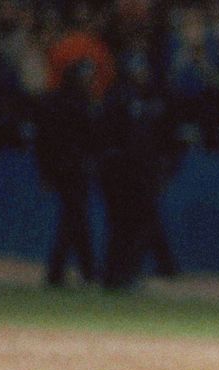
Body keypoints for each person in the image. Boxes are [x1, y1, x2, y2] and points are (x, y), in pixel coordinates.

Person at [98, 49, 182, 290]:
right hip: (119, 174)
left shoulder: (157, 100)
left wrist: (166, 169)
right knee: (120, 226)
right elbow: (105, 137)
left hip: (145, 175)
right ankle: (114, 275)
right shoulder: (118, 97)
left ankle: (127, 274)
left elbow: (171, 140)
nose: (141, 74)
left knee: (139, 227)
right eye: (136, 70)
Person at [35, 59, 100, 287]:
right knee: (73, 219)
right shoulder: (80, 103)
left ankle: (87, 270)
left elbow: (41, 142)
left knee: (76, 218)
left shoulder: (51, 101)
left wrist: (45, 173)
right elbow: (90, 138)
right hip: (74, 170)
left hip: (61, 170)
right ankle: (59, 271)